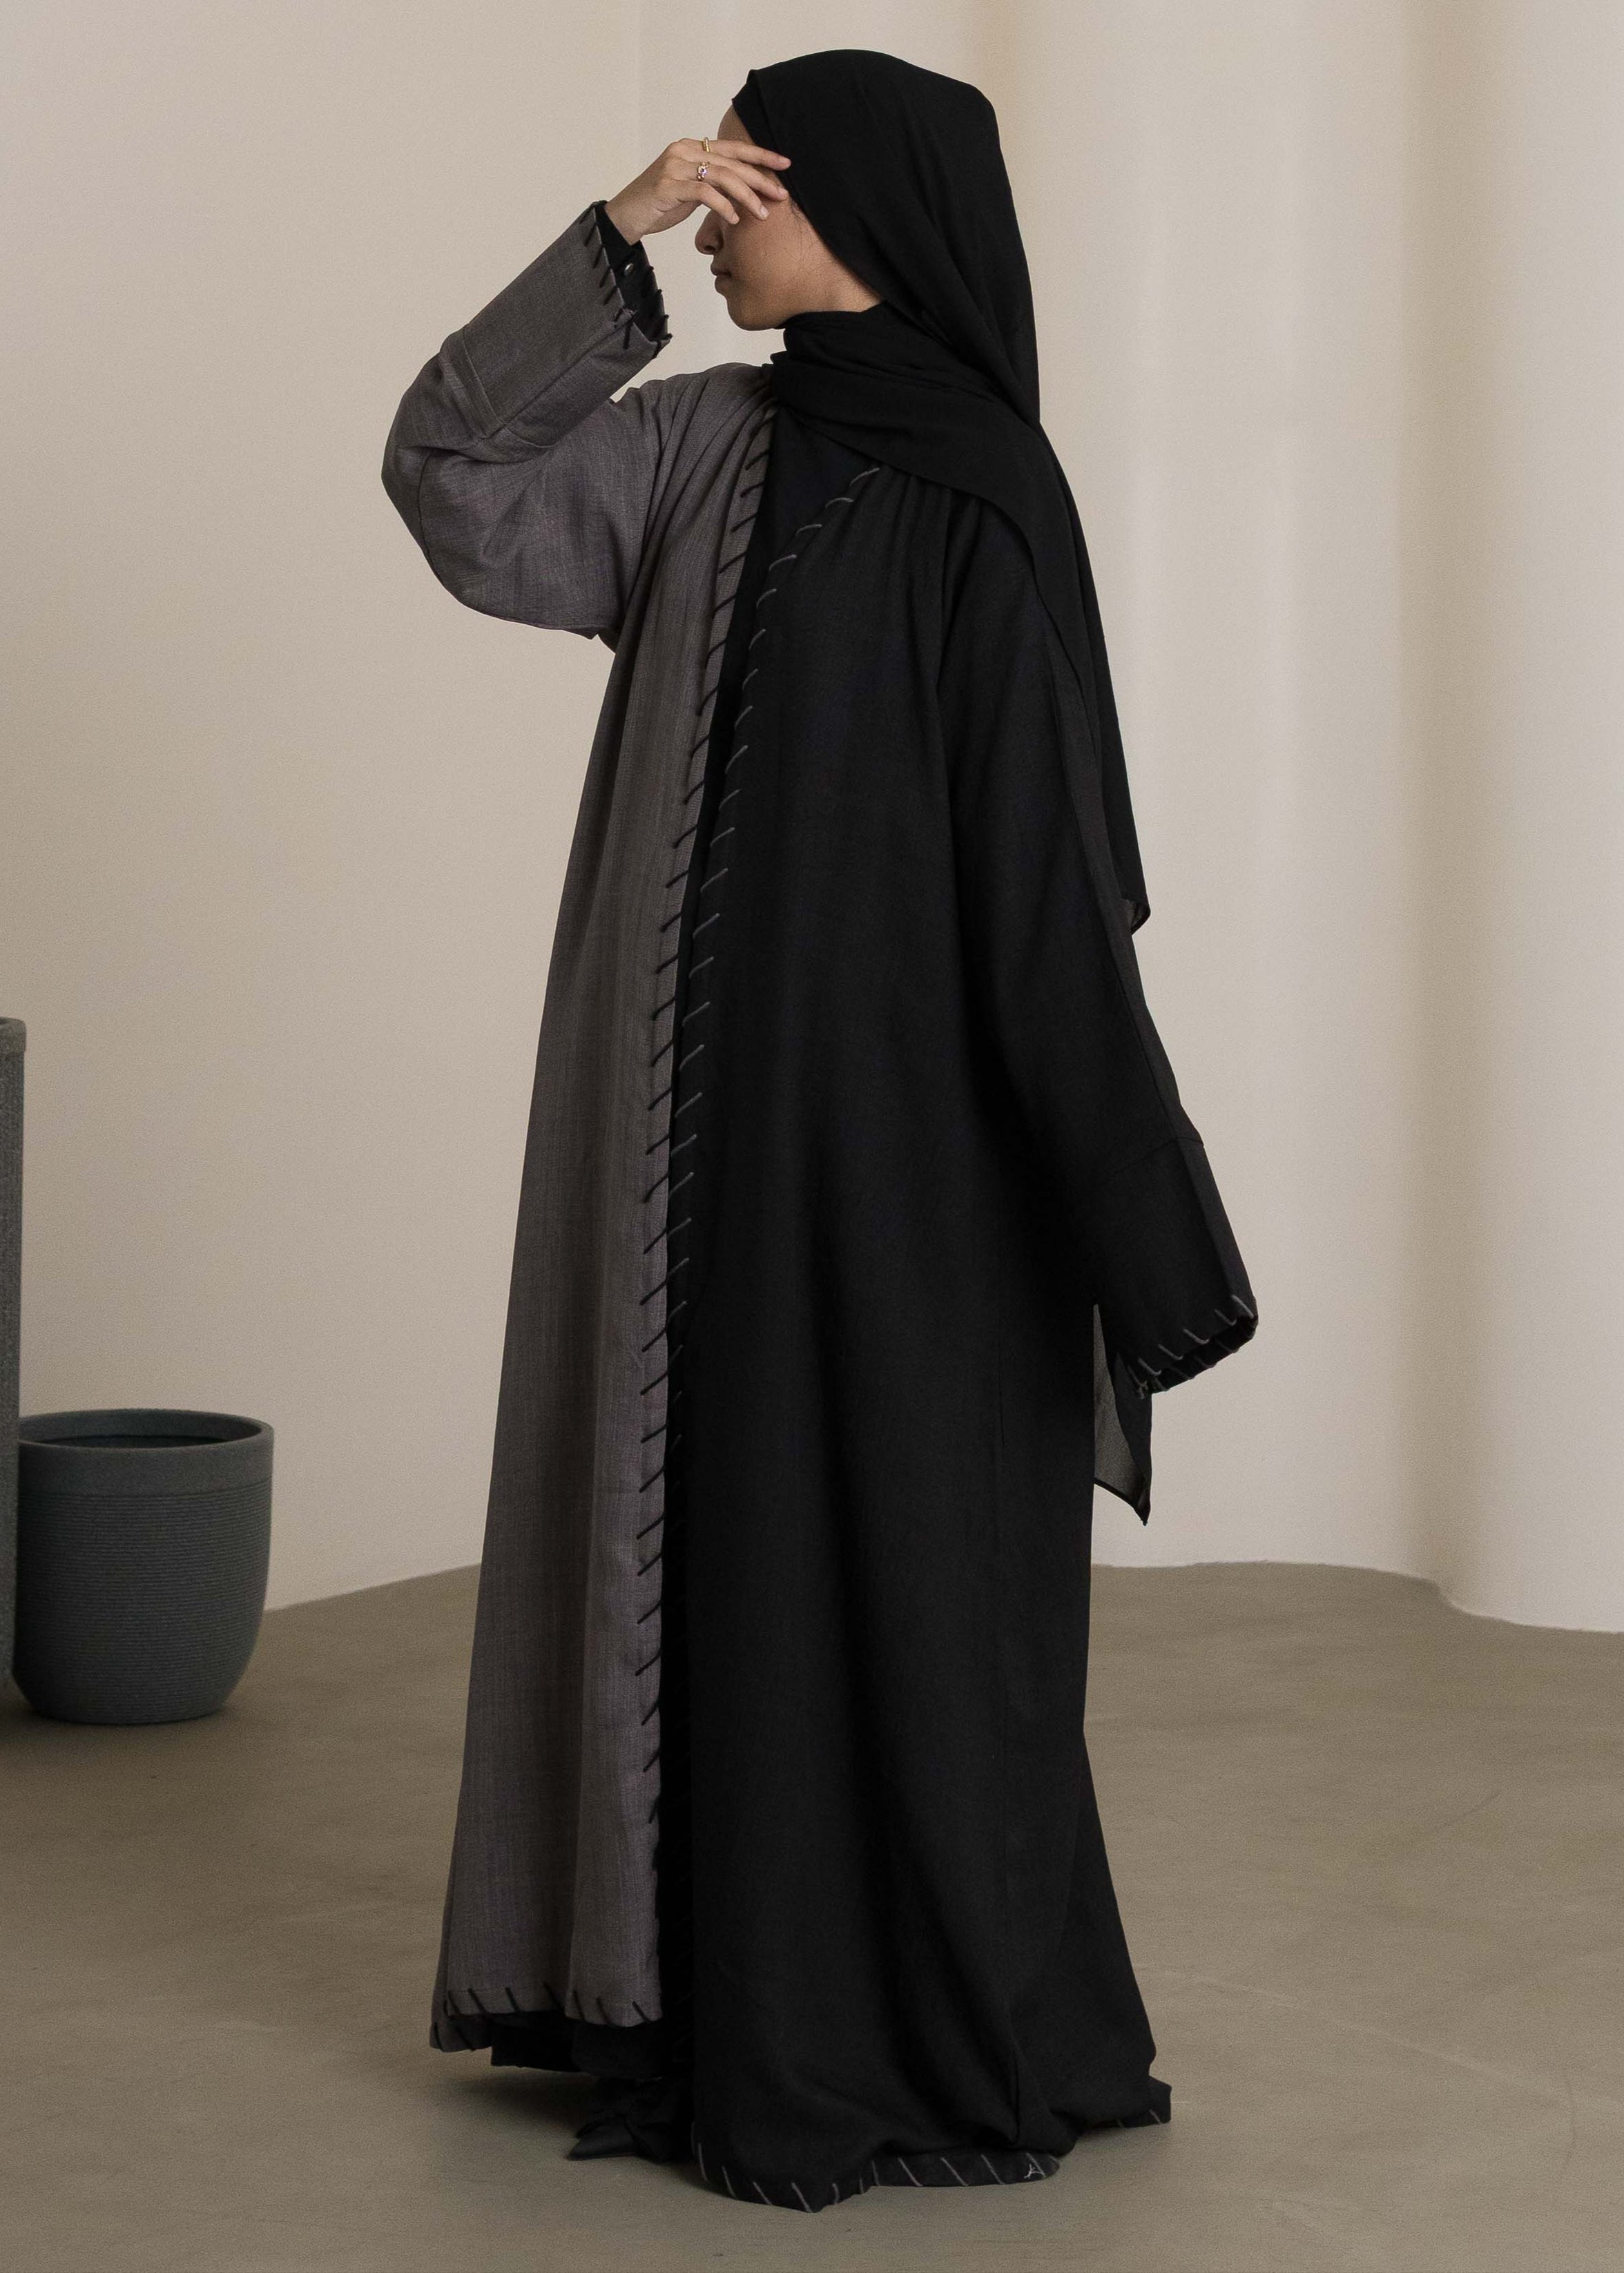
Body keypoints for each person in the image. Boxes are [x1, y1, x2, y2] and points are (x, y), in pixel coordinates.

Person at [381, 48, 1256, 2214]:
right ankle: (702, 2001)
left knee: (911, 1580)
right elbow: (457, 475)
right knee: (719, 1565)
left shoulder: (988, 494)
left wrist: (1138, 1210)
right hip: (698, 1166)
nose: (721, 206)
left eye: (751, 173)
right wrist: (611, 244)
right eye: (714, 173)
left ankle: (911, 2023)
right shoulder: (701, 447)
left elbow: (1044, 889)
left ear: (854, 199)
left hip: (919, 1171)